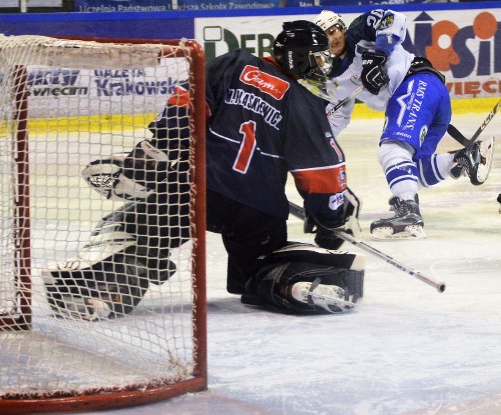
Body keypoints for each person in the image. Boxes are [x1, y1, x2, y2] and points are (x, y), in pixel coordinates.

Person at [42, 21, 364, 320]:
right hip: (258, 209)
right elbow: (323, 174)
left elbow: (185, 103)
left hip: (196, 188)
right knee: (260, 267)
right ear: (298, 57)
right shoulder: (304, 102)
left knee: (138, 231)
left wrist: (161, 151)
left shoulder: (235, 63)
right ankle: (292, 284)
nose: (323, 67)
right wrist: (329, 219)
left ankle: (100, 289)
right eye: (318, 59)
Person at [313, 9, 495, 239]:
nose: (333, 37)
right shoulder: (333, 79)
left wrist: (376, 55)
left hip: (417, 84)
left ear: (342, 27)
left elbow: (394, 19)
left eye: (334, 30)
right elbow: (338, 116)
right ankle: (460, 159)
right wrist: (315, 141)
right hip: (428, 98)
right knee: (411, 173)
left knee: (392, 149)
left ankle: (409, 210)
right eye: (325, 36)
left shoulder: (360, 31)